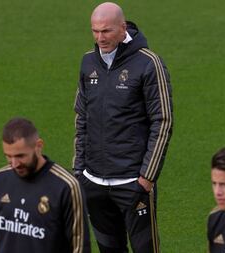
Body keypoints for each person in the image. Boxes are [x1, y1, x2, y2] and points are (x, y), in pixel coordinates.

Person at [73, 2, 173, 252]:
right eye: (95, 31)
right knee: (108, 248)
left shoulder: (149, 64)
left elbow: (163, 120)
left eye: (106, 31)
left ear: (122, 27)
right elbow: (81, 117)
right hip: (94, 181)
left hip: (132, 182)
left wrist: (147, 177)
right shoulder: (88, 63)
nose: (100, 38)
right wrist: (79, 173)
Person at [0, 117, 90, 253]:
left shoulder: (66, 187)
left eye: (20, 156)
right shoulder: (0, 179)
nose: (14, 164)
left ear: (38, 146)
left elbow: (79, 247)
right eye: (8, 156)